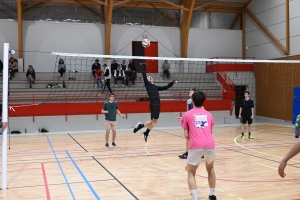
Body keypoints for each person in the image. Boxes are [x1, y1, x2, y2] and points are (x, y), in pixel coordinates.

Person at [181, 90, 217, 200]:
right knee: (210, 169)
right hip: (210, 144)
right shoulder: (209, 115)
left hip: (196, 144)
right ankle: (212, 194)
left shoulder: (187, 114)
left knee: (191, 173)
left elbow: (186, 135)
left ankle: (195, 198)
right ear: (204, 101)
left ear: (192, 101)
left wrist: (194, 140)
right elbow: (210, 131)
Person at [133, 63, 178, 142]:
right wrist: (144, 66)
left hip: (158, 104)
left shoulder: (156, 87)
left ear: (152, 79)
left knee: (155, 122)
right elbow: (143, 74)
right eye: (148, 77)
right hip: (153, 104)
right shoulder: (147, 85)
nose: (149, 78)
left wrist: (173, 82)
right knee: (153, 121)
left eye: (150, 77)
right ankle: (140, 126)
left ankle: (146, 133)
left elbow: (166, 87)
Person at [178, 88, 196, 159]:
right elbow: (187, 111)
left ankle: (198, 152)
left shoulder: (197, 101)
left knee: (194, 136)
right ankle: (187, 152)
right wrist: (183, 118)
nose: (189, 92)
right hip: (190, 120)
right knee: (187, 136)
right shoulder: (188, 101)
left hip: (195, 120)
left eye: (191, 91)